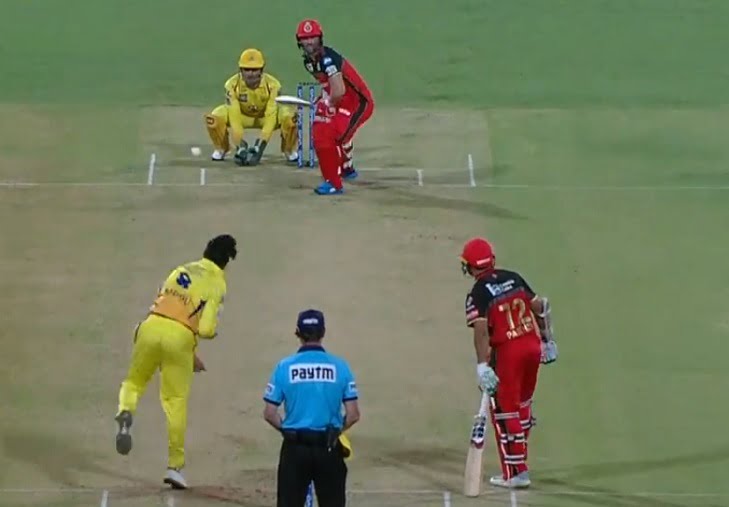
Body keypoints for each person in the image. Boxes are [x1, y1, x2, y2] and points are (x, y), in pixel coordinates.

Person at [114, 234, 237, 489]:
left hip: (149, 327)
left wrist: (190, 355)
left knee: (134, 383)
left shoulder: (181, 269)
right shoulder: (217, 283)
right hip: (180, 339)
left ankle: (125, 411)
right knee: (175, 402)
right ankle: (175, 466)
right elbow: (204, 328)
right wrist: (210, 334)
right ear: (227, 261)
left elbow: (166, 306)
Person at [461, 237, 558, 489]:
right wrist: (548, 340)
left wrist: (482, 366)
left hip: (509, 352)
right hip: (532, 346)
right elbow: (542, 307)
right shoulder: (513, 278)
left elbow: (481, 332)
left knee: (505, 411)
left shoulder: (477, 293)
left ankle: (516, 472)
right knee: (523, 404)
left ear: (470, 267)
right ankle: (520, 457)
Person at [263, 309, 360, 507]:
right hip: (328, 448)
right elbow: (353, 415)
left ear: (298, 333)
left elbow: (270, 413)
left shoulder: (284, 367)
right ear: (322, 332)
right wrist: (337, 431)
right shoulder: (340, 367)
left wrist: (287, 431)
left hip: (295, 449)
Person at [295, 19, 375, 195]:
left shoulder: (328, 59)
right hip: (342, 102)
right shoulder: (309, 62)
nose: (309, 42)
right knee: (320, 130)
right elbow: (328, 86)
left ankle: (334, 182)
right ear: (299, 41)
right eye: (305, 38)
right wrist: (321, 100)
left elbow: (339, 90)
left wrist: (328, 103)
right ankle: (346, 170)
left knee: (331, 137)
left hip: (359, 103)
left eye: (313, 37)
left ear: (320, 38)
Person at [204, 48, 299, 165]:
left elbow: (271, 115)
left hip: (265, 117)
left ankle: (289, 150)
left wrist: (261, 145)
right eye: (247, 69)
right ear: (240, 70)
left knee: (291, 118)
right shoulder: (231, 85)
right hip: (242, 115)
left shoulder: (273, 85)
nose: (251, 74)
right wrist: (240, 145)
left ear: (261, 70)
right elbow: (234, 115)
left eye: (255, 70)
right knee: (214, 118)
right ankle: (222, 148)